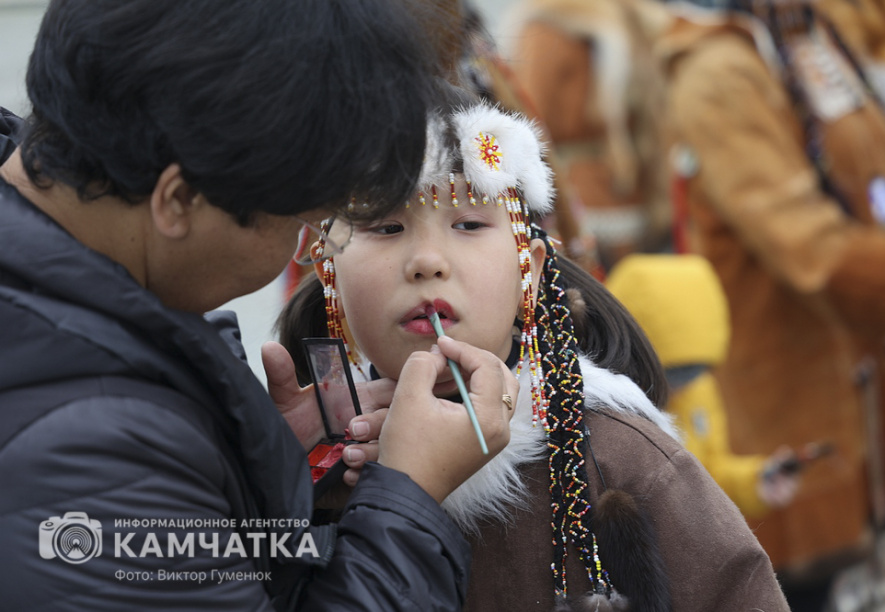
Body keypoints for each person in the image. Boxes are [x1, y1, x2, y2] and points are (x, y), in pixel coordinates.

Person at [0, 1, 515, 610]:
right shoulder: (86, 452)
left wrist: (245, 466)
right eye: (300, 218)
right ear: (180, 201)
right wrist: (409, 494)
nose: (302, 241)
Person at [277, 101, 790, 611]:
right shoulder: (309, 468)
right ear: (329, 274)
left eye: (470, 224)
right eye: (386, 228)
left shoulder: (619, 459)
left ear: (532, 267)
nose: (426, 262)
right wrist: (278, 480)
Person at [660, 0, 885, 605]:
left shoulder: (803, 32)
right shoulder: (717, 70)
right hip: (791, 390)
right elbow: (799, 236)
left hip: (868, 376)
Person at [606, 253, 801, 518]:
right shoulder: (609, 406)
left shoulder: (699, 388)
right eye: (673, 373)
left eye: (696, 370)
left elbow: (709, 471)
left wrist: (756, 480)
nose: (683, 385)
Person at [503, 0, 674, 271]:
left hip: (574, 197)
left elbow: (528, 116)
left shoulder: (547, 27)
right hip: (635, 190)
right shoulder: (635, 19)